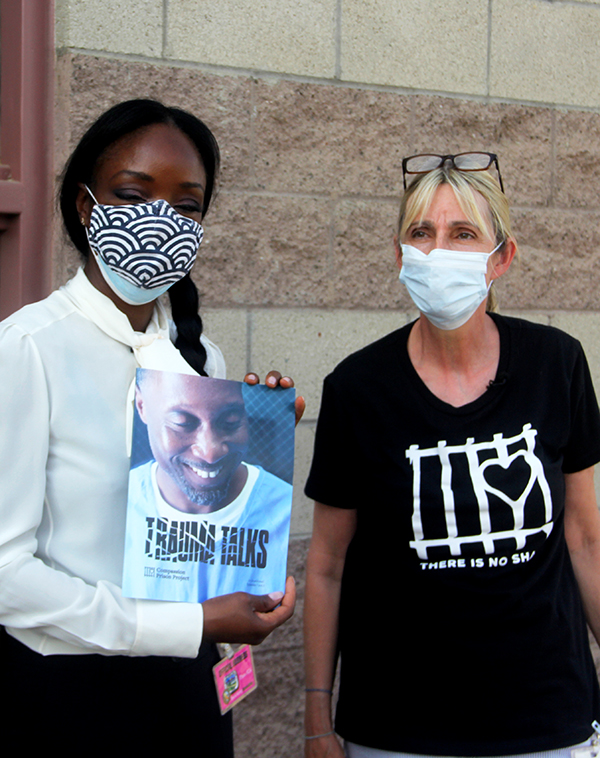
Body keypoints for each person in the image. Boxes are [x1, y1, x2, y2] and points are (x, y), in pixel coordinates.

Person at [0, 99, 301, 755]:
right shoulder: (27, 349)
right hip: (66, 699)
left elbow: (201, 547)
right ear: (86, 207)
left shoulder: (201, 361)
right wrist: (177, 624)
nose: (162, 220)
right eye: (134, 195)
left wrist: (264, 457)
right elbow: (5, 574)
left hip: (189, 693)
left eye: (187, 206)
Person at [303, 152, 600, 758]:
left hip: (547, 721)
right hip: (396, 730)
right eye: (422, 233)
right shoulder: (357, 388)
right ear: (400, 255)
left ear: (501, 258)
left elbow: (587, 539)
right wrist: (317, 718)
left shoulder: (557, 363)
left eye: (463, 234)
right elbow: (327, 564)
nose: (439, 252)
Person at [122, 369, 293, 601]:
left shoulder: (279, 507)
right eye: (181, 423)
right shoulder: (119, 503)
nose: (210, 452)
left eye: (231, 423)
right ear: (141, 406)